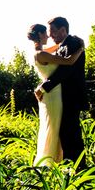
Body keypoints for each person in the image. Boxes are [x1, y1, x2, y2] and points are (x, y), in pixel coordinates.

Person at [27, 23, 84, 167]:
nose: (49, 36)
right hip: (54, 96)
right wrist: (81, 49)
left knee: (56, 129)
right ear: (40, 35)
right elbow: (69, 61)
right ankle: (52, 161)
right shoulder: (42, 54)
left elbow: (59, 48)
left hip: (52, 94)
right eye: (46, 33)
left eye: (51, 32)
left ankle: (57, 161)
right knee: (54, 128)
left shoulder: (41, 51)